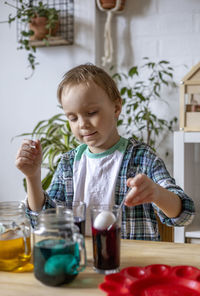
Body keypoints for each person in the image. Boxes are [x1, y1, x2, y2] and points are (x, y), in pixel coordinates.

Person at [15, 63, 195, 240]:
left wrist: (157, 193)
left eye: (91, 112)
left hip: (133, 264)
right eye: (73, 117)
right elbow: (44, 221)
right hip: (82, 262)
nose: (82, 124)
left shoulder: (143, 158)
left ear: (116, 108)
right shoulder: (68, 164)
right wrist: (33, 176)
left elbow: (185, 215)